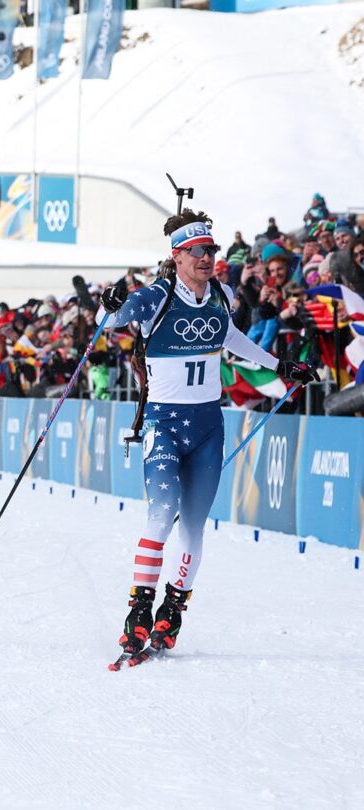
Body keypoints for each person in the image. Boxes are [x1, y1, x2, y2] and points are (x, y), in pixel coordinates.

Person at [98, 210, 314, 667]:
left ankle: (171, 612)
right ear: (177, 256)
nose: (207, 258)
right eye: (197, 251)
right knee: (160, 518)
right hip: (164, 425)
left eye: (212, 250)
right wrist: (107, 301)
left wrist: (281, 367)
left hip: (207, 429)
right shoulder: (155, 298)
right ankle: (138, 609)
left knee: (194, 529)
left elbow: (232, 337)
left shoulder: (221, 294)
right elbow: (111, 319)